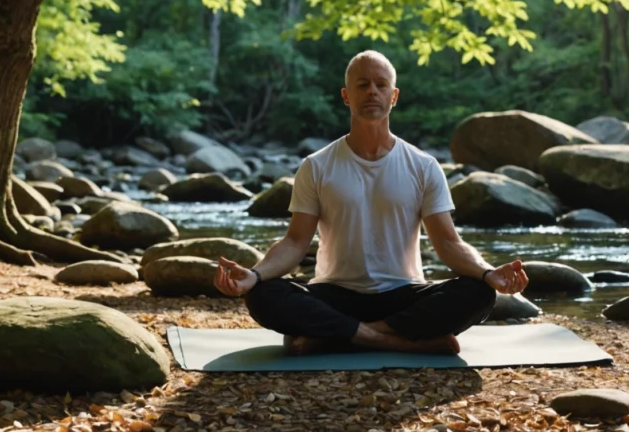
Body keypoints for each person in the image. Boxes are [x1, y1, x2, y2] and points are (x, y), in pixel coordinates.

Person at [214, 50, 530, 355]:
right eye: (362, 85)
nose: (372, 92)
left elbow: (448, 242)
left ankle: (337, 337)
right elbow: (296, 242)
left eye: (381, 85)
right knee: (263, 295)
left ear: (393, 96)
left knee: (478, 293)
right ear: (346, 95)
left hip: (403, 293)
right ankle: (395, 341)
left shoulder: (423, 166)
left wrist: (488, 273)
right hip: (335, 292)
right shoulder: (317, 165)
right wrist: (254, 275)